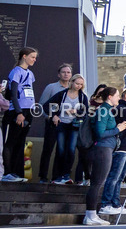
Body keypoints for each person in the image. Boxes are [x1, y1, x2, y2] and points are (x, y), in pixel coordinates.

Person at [84, 87, 126, 226]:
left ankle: (91, 215)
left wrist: (117, 128)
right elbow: (100, 133)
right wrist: (117, 129)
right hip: (102, 149)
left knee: (98, 182)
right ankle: (90, 215)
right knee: (97, 183)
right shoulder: (103, 110)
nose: (118, 98)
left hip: (106, 148)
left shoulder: (107, 110)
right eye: (117, 96)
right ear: (110, 97)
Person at [2, 47, 38, 182]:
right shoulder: (16, 71)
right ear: (24, 56)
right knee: (10, 141)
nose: (34, 60)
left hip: (28, 110)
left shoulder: (30, 73)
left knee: (20, 141)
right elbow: (13, 93)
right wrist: (18, 112)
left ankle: (17, 173)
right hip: (18, 110)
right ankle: (7, 172)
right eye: (32, 57)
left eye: (35, 57)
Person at [46, 74, 88, 184]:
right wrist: (54, 115)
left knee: (71, 149)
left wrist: (76, 112)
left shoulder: (83, 97)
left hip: (74, 126)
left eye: (81, 84)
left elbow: (87, 113)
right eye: (77, 83)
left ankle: (66, 174)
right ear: (71, 82)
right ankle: (57, 176)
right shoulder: (62, 94)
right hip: (62, 124)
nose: (78, 86)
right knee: (60, 150)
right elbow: (47, 106)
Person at [37, 63, 73, 183]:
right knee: (48, 150)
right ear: (59, 74)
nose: (66, 74)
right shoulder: (51, 87)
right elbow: (42, 106)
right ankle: (43, 176)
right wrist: (50, 117)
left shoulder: (73, 90)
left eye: (68, 72)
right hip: (52, 123)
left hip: (67, 125)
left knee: (61, 151)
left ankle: (57, 177)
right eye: (64, 72)